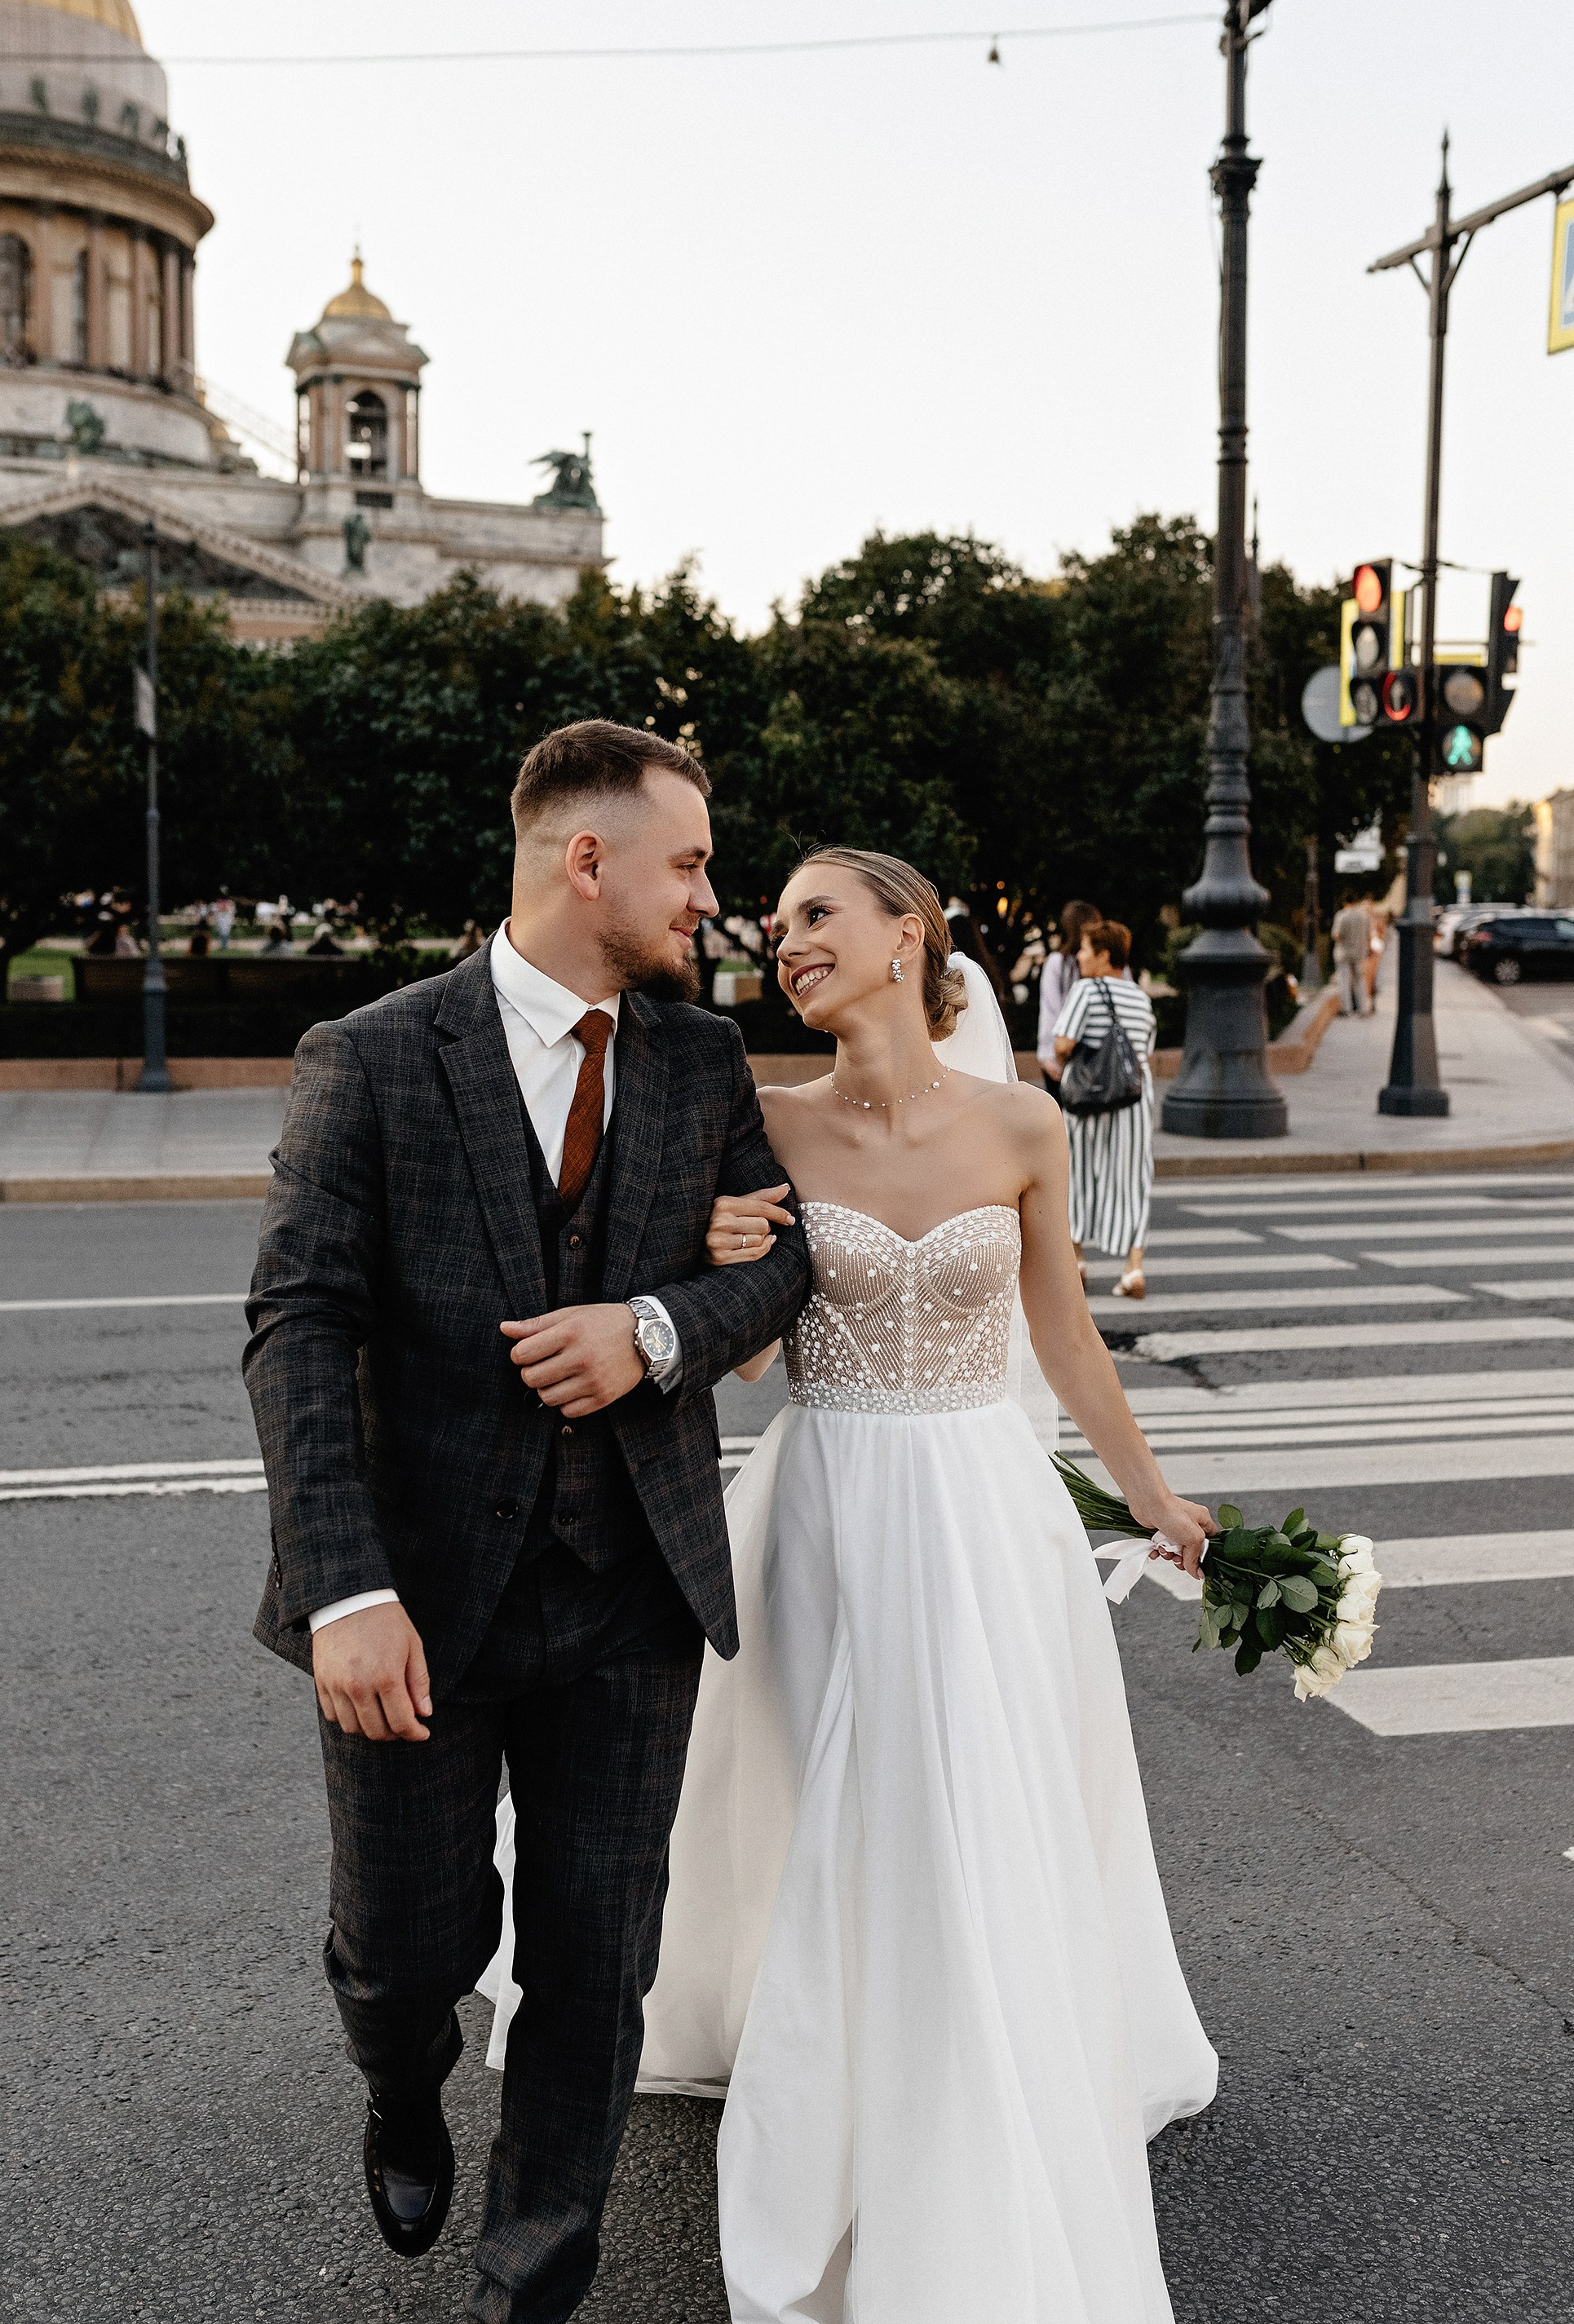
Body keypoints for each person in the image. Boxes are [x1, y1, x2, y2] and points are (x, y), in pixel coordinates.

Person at [504, 847, 1216, 2323]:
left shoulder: (1023, 1124)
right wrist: (717, 1253)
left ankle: (966, 2063)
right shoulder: (756, 1124)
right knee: (847, 1796)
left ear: (910, 937)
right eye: (776, 926)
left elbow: (1068, 1342)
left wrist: (1153, 1496)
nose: (784, 939)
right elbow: (752, 1350)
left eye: (817, 915)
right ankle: (843, 2073)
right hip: (823, 1506)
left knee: (967, 1791)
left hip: (982, 1511)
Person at [243, 720, 809, 2324]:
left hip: (632, 1586)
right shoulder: (371, 1054)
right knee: (404, 1946)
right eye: (689, 862)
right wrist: (342, 1584)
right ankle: (403, 2074)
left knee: (593, 1964)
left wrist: (658, 1330)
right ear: (589, 860)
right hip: (418, 1600)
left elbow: (786, 1263)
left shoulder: (698, 1063)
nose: (712, 896)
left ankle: (529, 2283)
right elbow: (297, 1322)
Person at [1054, 918, 1157, 1300]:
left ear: (1103, 955)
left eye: (1084, 949)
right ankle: (1133, 1268)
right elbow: (1144, 1050)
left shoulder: (1086, 990)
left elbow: (1063, 1043)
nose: (1078, 956)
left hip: (1089, 1098)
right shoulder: (1139, 997)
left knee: (1077, 1173)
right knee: (1132, 1177)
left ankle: (1077, 1260)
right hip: (1132, 1099)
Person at [1036, 897, 1101, 1084]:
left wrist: (1047, 1054)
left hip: (1062, 1049)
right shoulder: (1106, 963)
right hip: (1096, 1054)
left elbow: (1050, 1010)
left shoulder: (1057, 962)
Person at [1331, 892, 1372, 1014]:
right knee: (1360, 980)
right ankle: (1362, 1008)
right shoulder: (1364, 916)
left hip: (1344, 952)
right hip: (1359, 952)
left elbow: (1337, 935)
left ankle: (1346, 1008)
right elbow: (1368, 935)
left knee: (1344, 980)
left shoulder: (1342, 916)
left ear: (1345, 903)